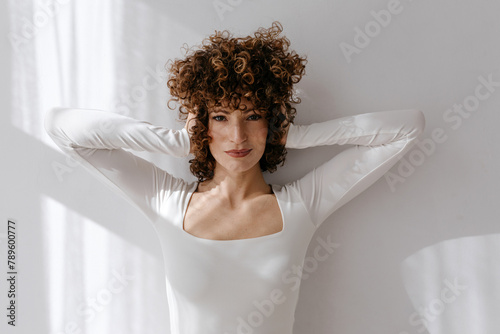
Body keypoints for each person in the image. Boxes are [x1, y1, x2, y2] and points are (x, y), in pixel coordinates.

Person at [44, 21, 425, 334]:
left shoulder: (301, 204)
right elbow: (62, 127)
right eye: (221, 117)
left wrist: (298, 135)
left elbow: (407, 128)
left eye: (253, 116)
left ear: (271, 120)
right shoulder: (166, 202)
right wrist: (180, 141)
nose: (238, 137)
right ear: (203, 123)